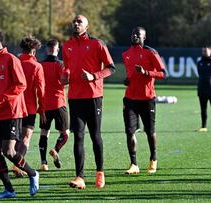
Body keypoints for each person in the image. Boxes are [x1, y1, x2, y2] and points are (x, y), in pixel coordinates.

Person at [0, 28, 39, 199]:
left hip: (12, 112)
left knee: (9, 151)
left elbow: (21, 85)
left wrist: (0, 99)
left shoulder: (12, 59)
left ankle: (32, 173)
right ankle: (9, 190)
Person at [62, 15, 115, 189]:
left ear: (87, 25)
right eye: (74, 22)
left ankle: (100, 172)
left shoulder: (97, 44)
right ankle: (80, 177)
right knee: (78, 136)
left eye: (80, 22)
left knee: (95, 135)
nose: (76, 24)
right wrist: (65, 77)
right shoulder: (67, 46)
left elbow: (110, 68)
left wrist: (94, 76)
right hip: (75, 97)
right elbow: (67, 68)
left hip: (93, 96)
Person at [122, 27, 165, 175]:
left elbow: (163, 73)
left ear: (144, 37)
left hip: (147, 99)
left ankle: (153, 159)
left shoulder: (150, 52)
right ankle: (134, 164)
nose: (134, 36)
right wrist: (127, 81)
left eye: (137, 34)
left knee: (150, 131)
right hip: (129, 99)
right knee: (129, 132)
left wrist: (146, 72)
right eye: (132, 33)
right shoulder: (126, 54)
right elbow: (130, 75)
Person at [12, 35, 45, 177]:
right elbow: (41, 90)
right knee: (26, 138)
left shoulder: (15, 63)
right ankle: (17, 165)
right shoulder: (37, 66)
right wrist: (42, 109)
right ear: (33, 51)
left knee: (16, 138)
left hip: (14, 107)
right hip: (30, 108)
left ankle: (15, 163)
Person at [38, 39, 69, 171]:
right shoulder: (61, 64)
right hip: (59, 102)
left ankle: (44, 163)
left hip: (45, 104)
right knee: (65, 133)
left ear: (46, 49)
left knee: (44, 132)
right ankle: (55, 149)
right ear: (57, 49)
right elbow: (64, 82)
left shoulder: (40, 65)